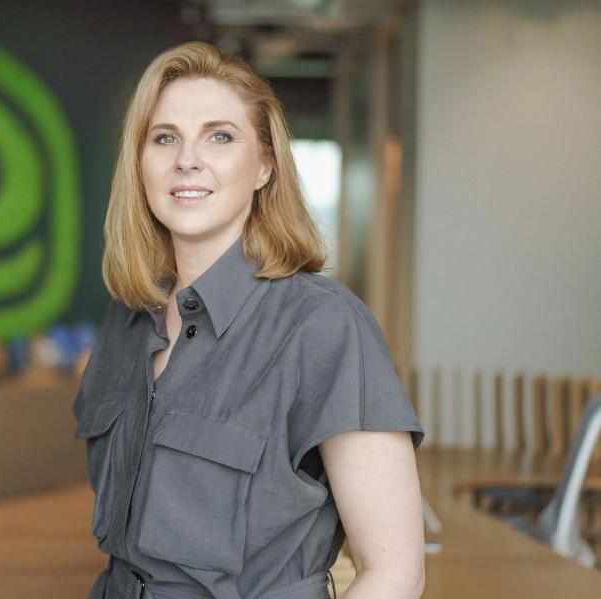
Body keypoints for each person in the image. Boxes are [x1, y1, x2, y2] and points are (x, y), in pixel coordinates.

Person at [73, 40, 426, 599]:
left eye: (220, 136)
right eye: (164, 137)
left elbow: (395, 574)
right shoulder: (127, 319)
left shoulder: (324, 327)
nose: (187, 159)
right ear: (139, 164)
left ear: (264, 165)